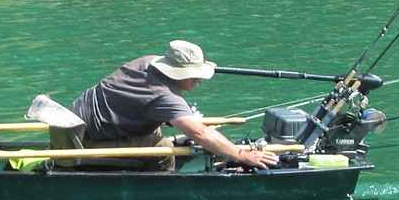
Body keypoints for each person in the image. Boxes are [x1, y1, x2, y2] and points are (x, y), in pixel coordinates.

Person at [70, 40, 279, 169]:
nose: (199, 81)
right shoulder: (163, 97)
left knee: (156, 132)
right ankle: (159, 183)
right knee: (163, 149)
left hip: (75, 122)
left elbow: (138, 102)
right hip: (86, 142)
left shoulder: (145, 63)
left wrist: (182, 120)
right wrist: (241, 155)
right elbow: (201, 134)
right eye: (195, 77)